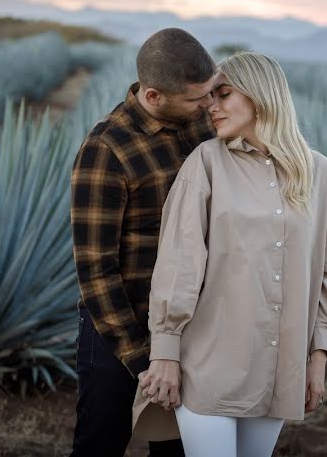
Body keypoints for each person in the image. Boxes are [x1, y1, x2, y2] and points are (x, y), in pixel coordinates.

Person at [138, 50, 327, 457]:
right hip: (210, 366)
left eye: (224, 94)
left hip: (278, 371)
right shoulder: (207, 163)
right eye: (209, 97)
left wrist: (317, 358)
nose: (211, 107)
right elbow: (179, 262)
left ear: (260, 95)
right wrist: (164, 352)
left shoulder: (320, 174)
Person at [69, 28, 218, 457]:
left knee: (177, 450)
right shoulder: (107, 151)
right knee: (100, 443)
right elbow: (96, 271)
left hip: (189, 327)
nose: (208, 105)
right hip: (119, 330)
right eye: (196, 98)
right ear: (153, 96)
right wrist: (145, 359)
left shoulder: (200, 128)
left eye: (210, 93)